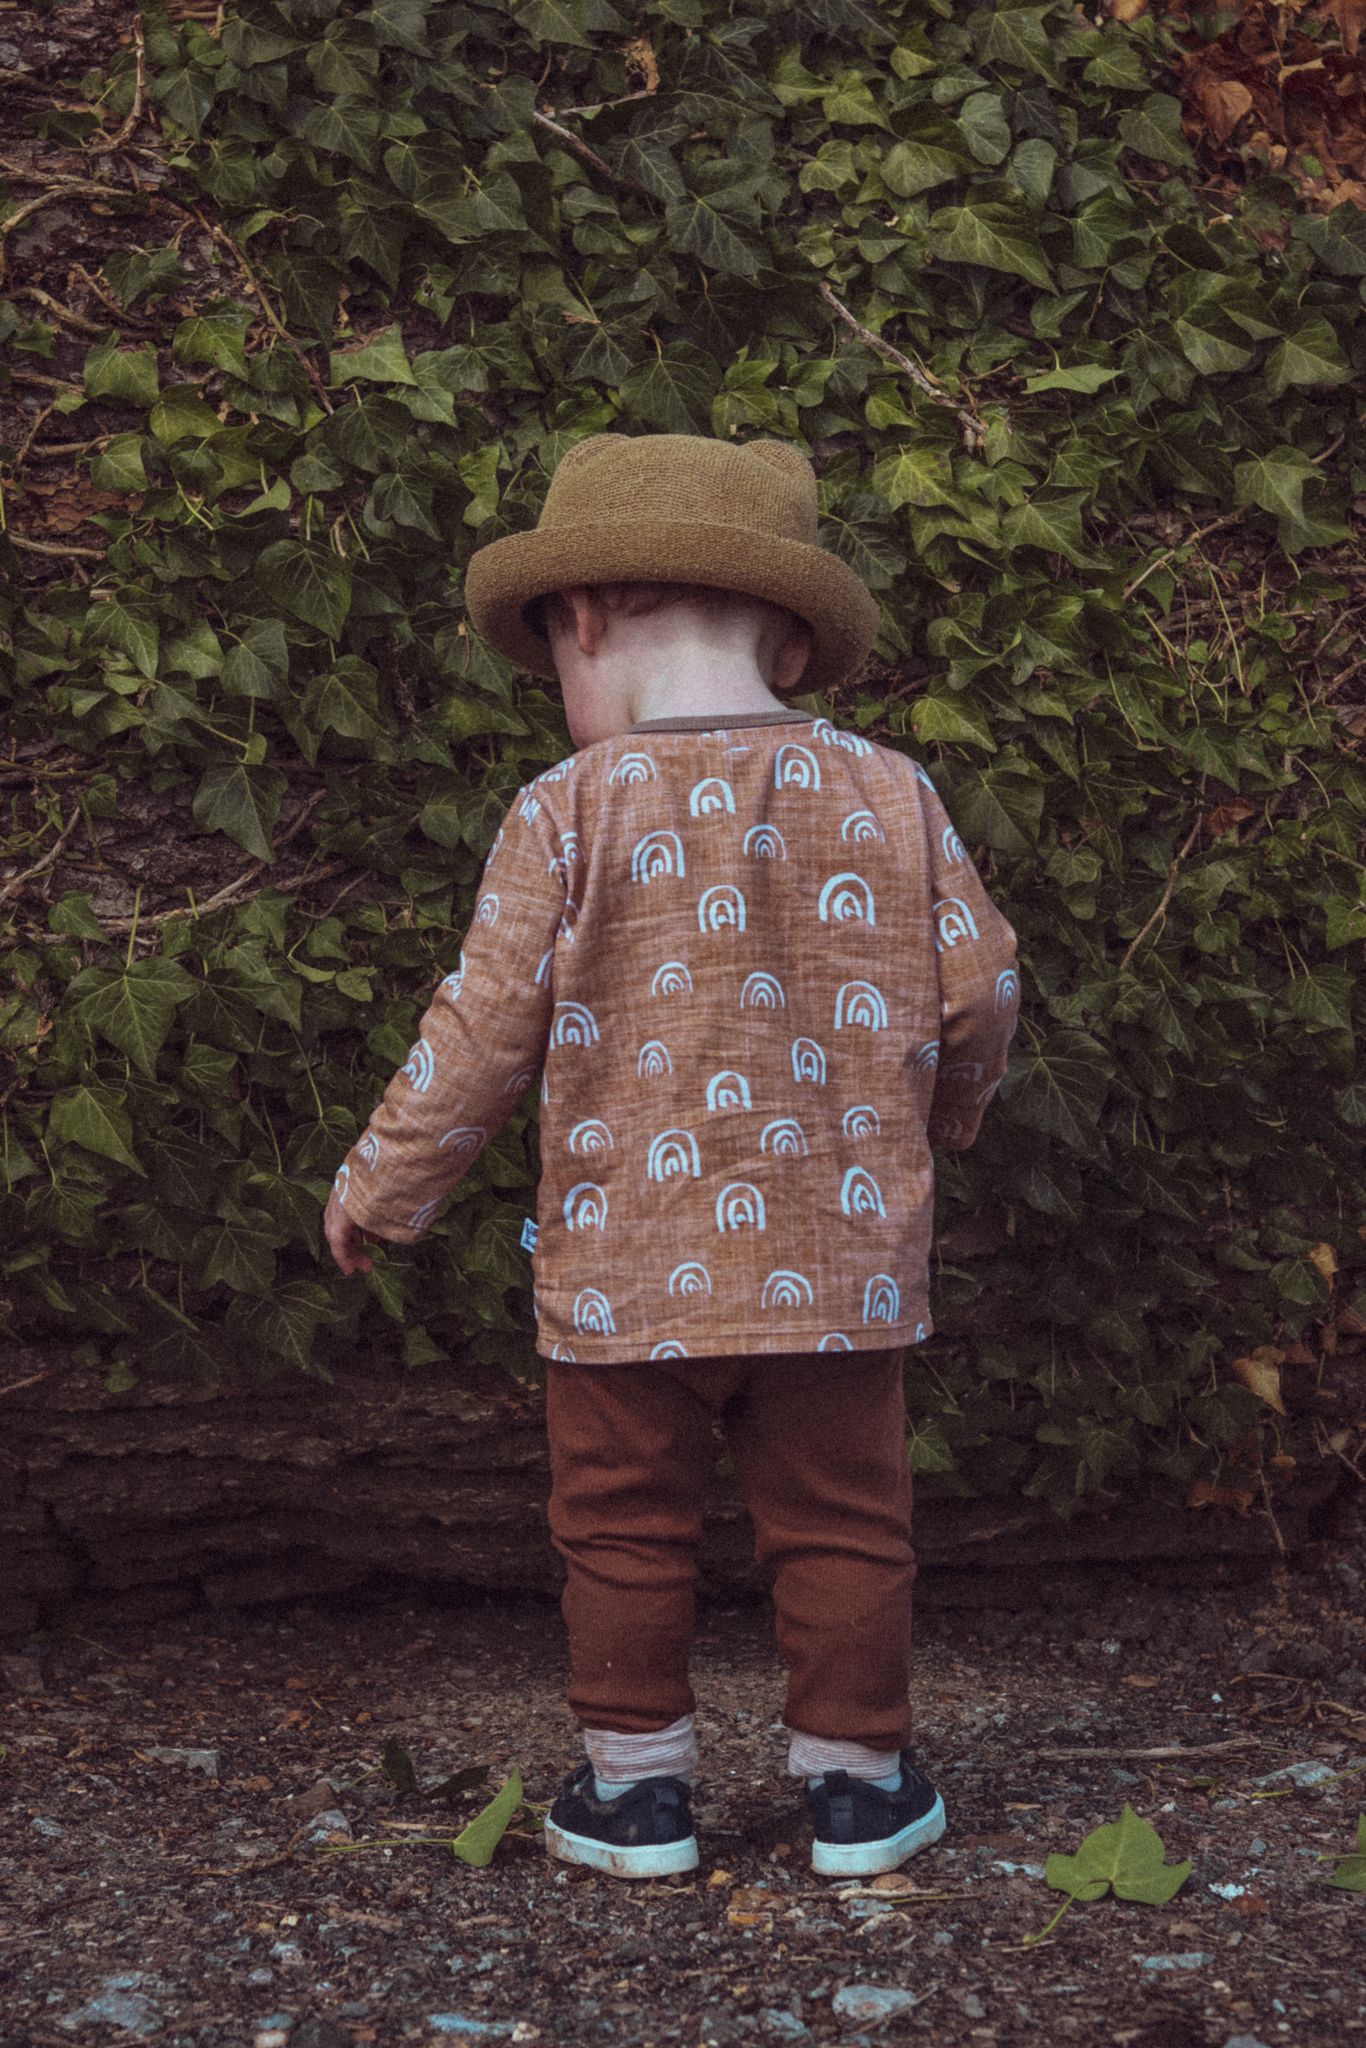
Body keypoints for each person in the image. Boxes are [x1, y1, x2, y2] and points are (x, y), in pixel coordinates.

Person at [323, 433, 1021, 1882]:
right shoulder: (892, 795)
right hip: (840, 1267)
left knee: (621, 1531)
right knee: (841, 1524)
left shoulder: (562, 813)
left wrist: (384, 1185)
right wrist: (936, 1124)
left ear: (580, 620)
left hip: (623, 1274)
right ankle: (857, 1792)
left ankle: (635, 1797)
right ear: (781, 634)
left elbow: (481, 1030)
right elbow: (978, 987)